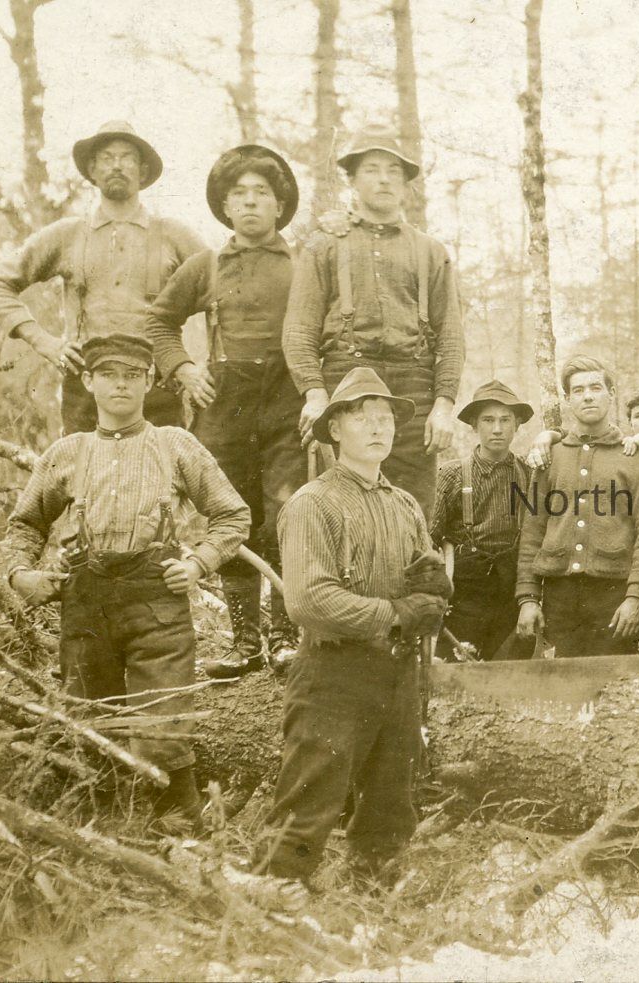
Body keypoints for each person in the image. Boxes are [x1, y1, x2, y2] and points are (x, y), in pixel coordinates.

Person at [1, 334, 249, 829]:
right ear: (88, 381)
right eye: (109, 375)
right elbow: (24, 525)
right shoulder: (67, 452)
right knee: (91, 722)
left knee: (165, 722)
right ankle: (102, 831)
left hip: (158, 603)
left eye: (132, 375)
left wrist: (198, 564)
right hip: (86, 604)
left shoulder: (175, 445)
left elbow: (232, 516)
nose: (121, 385)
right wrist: (20, 574)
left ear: (149, 381)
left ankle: (182, 828)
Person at [257, 366, 451, 886]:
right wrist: (396, 613)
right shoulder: (312, 503)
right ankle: (272, 898)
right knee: (309, 800)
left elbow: (423, 582)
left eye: (385, 417)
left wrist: (434, 588)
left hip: (396, 673)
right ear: (335, 429)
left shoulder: (404, 504)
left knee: (391, 805)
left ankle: (372, 899)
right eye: (362, 417)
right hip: (333, 672)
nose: (378, 427)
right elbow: (308, 600)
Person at [145, 144, 306, 679]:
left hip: (286, 402)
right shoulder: (206, 265)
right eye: (240, 194)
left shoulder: (305, 266)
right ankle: (245, 644)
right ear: (225, 206)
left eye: (262, 192)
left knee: (285, 514)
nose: (251, 202)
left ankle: (285, 638)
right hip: (224, 405)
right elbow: (159, 322)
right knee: (231, 516)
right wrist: (184, 369)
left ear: (280, 205)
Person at [283, 124, 463, 518]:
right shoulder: (324, 245)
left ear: (406, 184)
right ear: (351, 179)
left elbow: (451, 336)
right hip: (346, 381)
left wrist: (443, 406)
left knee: (413, 511)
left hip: (414, 388)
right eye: (371, 169)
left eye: (393, 171)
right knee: (342, 507)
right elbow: (298, 331)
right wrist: (315, 394)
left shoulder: (431, 252)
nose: (384, 179)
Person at [0, 121, 206, 434]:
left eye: (127, 157)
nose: (117, 165)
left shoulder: (172, 234)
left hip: (157, 385)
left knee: (162, 464)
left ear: (142, 171)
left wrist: (196, 366)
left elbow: (225, 291)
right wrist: (44, 341)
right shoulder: (69, 234)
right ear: (92, 170)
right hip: (86, 387)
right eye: (106, 158)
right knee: (82, 464)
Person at [515, 356, 639, 658]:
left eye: (596, 388)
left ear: (611, 394)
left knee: (614, 682)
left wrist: (636, 598)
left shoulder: (636, 458)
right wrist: (528, 598)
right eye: (578, 390)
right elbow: (533, 531)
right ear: (568, 399)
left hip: (614, 597)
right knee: (561, 682)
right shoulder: (551, 457)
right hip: (559, 597)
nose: (587, 396)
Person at [432, 379, 535, 661]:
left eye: (505, 420)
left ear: (517, 425)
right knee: (458, 668)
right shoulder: (452, 475)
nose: (497, 428)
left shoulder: (530, 474)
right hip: (466, 594)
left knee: (511, 672)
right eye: (488, 420)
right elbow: (429, 538)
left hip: (513, 592)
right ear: (474, 425)